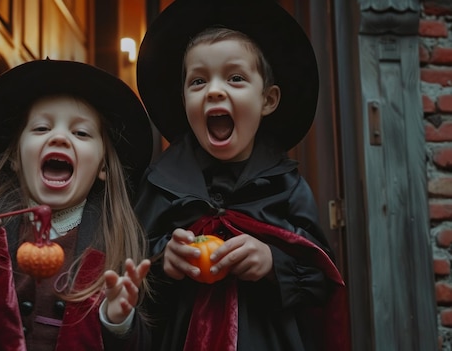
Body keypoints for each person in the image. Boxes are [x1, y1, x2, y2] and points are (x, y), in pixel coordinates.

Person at [134, 1, 349, 350]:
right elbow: (129, 274)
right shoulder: (160, 184)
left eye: (235, 78)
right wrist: (163, 261)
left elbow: (320, 280)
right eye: (198, 81)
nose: (215, 90)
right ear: (184, 101)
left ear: (268, 99)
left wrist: (271, 263)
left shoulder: (287, 185)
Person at [0, 59, 154, 351]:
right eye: (41, 128)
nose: (59, 137)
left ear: (103, 166)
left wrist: (119, 321)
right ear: (15, 157)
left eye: (81, 133)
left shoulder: (115, 240)